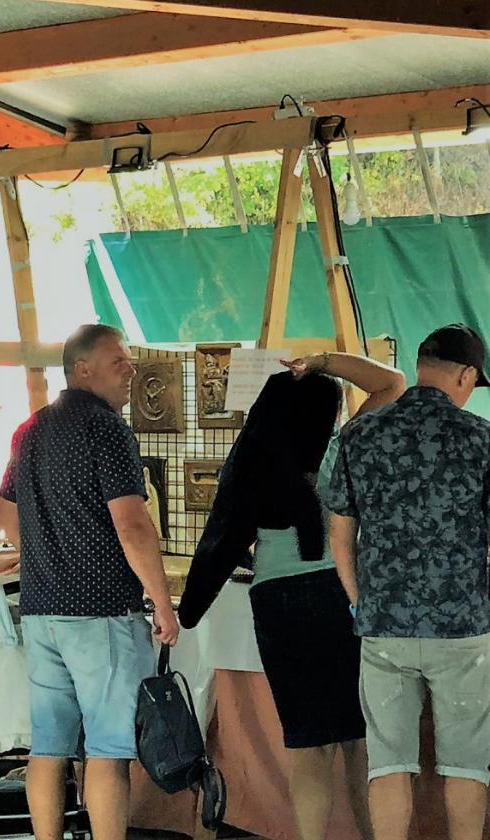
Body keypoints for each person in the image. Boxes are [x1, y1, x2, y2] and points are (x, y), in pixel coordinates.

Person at [180, 352, 406, 840]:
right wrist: (325, 363)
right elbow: (392, 382)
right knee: (358, 740)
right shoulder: (341, 448)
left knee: (308, 744)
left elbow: (220, 544)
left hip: (276, 601)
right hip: (339, 594)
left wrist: (186, 612)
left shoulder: (249, 463)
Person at [0, 324, 179, 840]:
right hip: (102, 611)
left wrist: (49, 555)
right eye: (118, 360)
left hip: (42, 608)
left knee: (49, 747)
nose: (132, 369)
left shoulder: (30, 429)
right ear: (83, 368)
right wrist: (162, 603)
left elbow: (5, 516)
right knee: (108, 750)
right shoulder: (108, 428)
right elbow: (132, 522)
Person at [324, 324, 490, 840]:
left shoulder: (362, 433)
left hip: (383, 628)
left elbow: (339, 530)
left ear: (421, 366)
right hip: (464, 629)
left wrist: (358, 601)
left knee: (389, 763)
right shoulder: (482, 439)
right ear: (465, 375)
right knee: (466, 766)